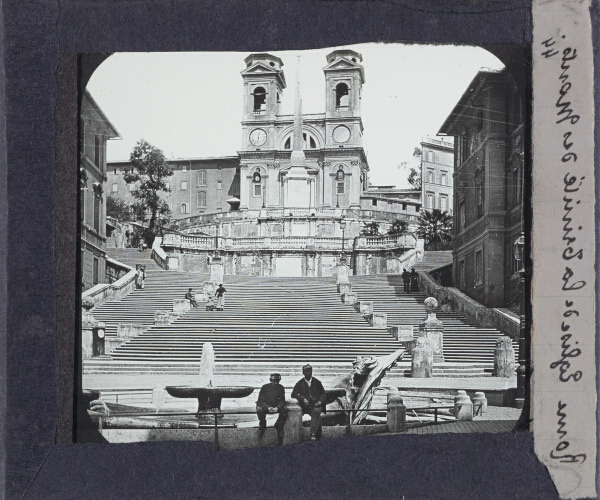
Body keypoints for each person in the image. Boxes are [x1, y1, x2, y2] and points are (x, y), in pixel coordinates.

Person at [291, 364, 326, 441]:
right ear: (303, 373)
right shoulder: (299, 383)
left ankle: (313, 434)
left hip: (317, 405)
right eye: (306, 371)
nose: (308, 373)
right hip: (306, 406)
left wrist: (320, 401)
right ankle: (319, 435)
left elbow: (323, 394)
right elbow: (293, 394)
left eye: (310, 371)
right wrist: (302, 399)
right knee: (317, 416)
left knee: (316, 412)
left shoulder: (317, 382)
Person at [256, 373, 287, 444]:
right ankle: (262, 424)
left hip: (276, 407)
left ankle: (279, 426)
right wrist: (267, 407)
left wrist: (278, 408)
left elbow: (282, 400)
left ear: (279, 380)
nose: (275, 383)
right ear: (270, 380)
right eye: (273, 381)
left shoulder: (281, 388)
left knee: (285, 409)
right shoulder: (265, 387)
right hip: (267, 406)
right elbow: (260, 400)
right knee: (259, 409)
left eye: (277, 381)